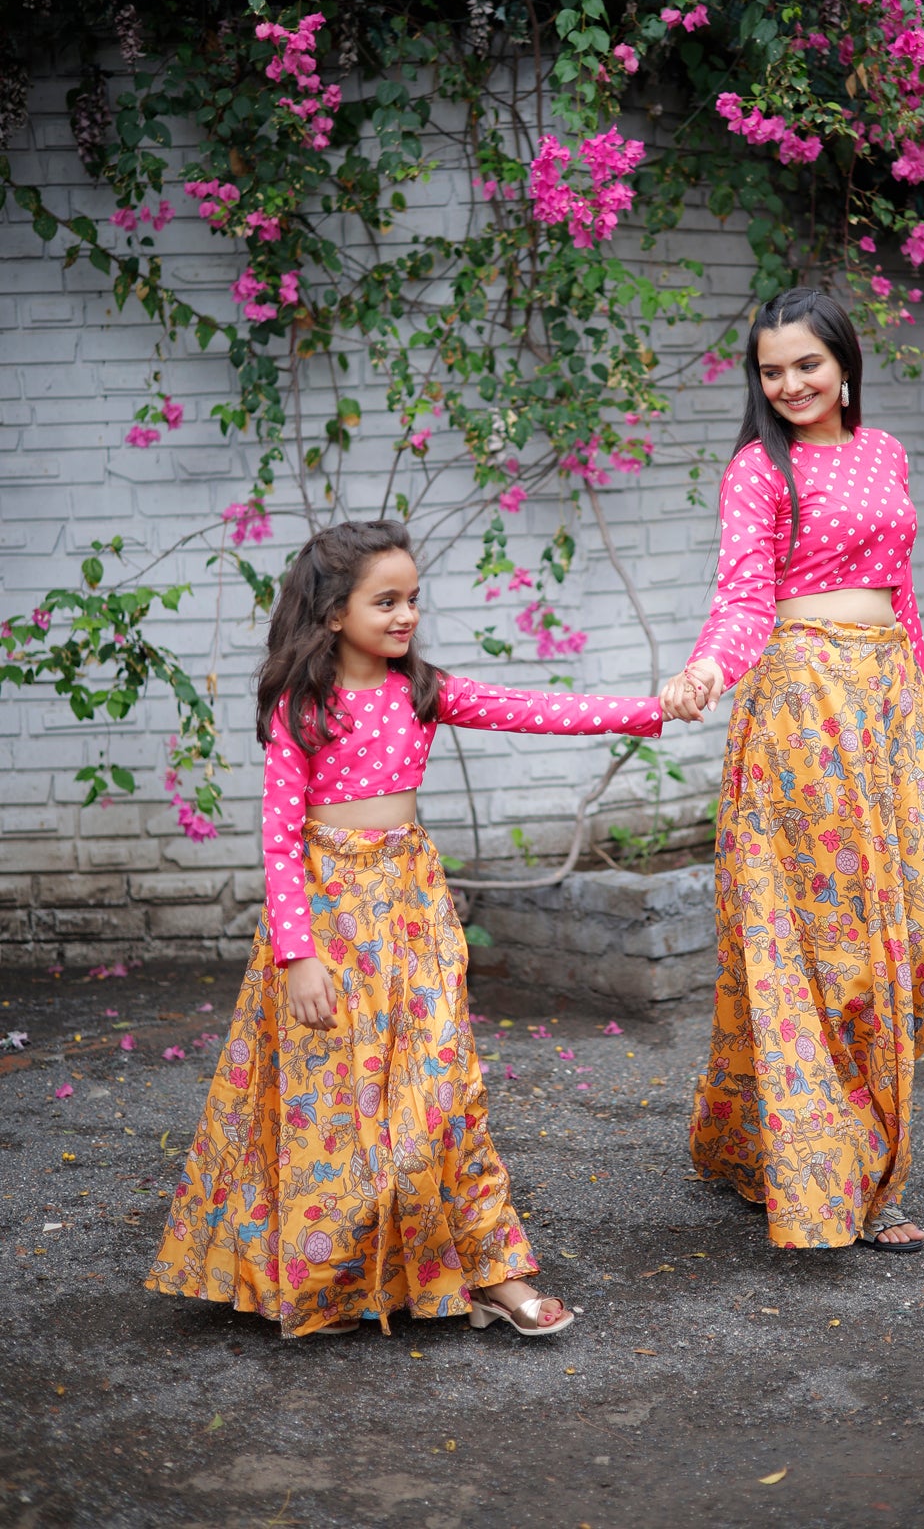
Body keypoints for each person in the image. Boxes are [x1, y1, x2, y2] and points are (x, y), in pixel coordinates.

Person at [147, 519, 663, 1337]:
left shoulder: (421, 691)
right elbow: (279, 840)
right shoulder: (302, 708)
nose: (406, 615)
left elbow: (530, 708)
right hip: (329, 923)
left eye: (413, 599)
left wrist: (648, 708)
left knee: (443, 1097)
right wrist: (299, 957)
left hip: (412, 912)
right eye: (385, 601)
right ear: (330, 614)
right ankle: (335, 1278)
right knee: (331, 1106)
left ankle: (493, 1270)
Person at [660, 288, 924, 1254]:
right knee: (835, 950)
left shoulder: (886, 452)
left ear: (843, 362)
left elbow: (903, 590)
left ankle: (762, 1135)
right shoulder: (758, 469)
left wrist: (923, 716)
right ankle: (850, 1175)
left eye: (806, 365)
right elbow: (743, 593)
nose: (788, 383)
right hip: (802, 712)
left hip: (886, 714)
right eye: (770, 369)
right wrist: (710, 666)